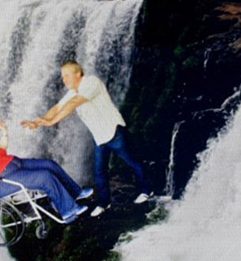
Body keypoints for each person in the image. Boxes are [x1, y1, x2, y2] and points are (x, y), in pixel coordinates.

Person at [21, 60, 151, 217]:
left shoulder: (91, 83)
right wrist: (38, 121)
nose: (64, 79)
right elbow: (58, 107)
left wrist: (51, 122)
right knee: (99, 172)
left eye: (67, 75)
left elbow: (74, 103)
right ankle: (104, 203)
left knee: (133, 162)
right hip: (99, 137)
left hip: (114, 131)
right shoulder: (72, 92)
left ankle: (146, 190)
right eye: (63, 77)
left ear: (78, 73)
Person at [0, 120, 93, 223]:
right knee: (44, 177)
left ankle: (75, 192)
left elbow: (1, 149)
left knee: (49, 164)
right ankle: (68, 211)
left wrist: (5, 133)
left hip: (14, 164)